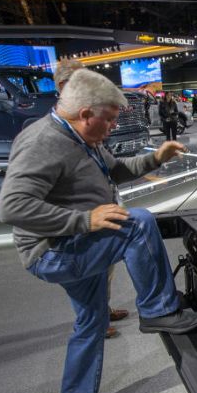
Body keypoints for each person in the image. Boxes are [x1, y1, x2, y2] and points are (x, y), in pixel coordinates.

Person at [0, 69, 197, 393]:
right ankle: (158, 310)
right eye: (108, 119)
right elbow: (11, 207)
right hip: (54, 252)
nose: (111, 127)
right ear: (85, 114)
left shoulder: (81, 139)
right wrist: (84, 221)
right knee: (136, 223)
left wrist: (157, 157)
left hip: (74, 246)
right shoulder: (43, 142)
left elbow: (118, 171)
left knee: (91, 320)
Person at [54, 59, 128, 337]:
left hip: (101, 202)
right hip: (79, 212)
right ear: (63, 86)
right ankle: (93, 321)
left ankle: (102, 311)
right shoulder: (58, 124)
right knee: (86, 269)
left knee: (104, 264)